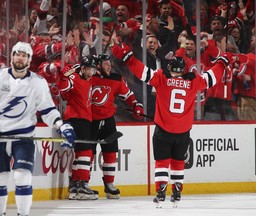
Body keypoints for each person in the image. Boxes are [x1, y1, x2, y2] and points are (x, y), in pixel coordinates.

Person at [111, 42, 233, 207]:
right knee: (178, 163)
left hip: (163, 130)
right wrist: (222, 62)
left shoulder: (162, 78)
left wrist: (128, 58)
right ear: (183, 70)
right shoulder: (193, 81)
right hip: (183, 132)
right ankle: (177, 192)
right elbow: (211, 78)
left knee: (162, 162)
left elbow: (143, 72)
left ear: (170, 67)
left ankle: (161, 192)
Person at [0, 42, 76, 216]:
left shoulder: (38, 82)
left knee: (22, 177)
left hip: (24, 137)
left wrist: (61, 125)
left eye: (24, 55)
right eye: (17, 54)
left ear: (29, 59)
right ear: (12, 56)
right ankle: (0, 214)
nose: (20, 58)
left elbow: (48, 110)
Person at [91, 53, 144, 199]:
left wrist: (136, 105)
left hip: (108, 121)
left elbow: (128, 95)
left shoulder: (116, 79)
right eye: (106, 63)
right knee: (88, 153)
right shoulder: (89, 77)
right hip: (90, 121)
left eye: (110, 63)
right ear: (98, 65)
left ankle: (109, 184)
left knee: (111, 152)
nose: (110, 66)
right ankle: (83, 183)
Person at [57, 56, 98, 200]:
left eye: (92, 69)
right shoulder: (74, 77)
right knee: (85, 152)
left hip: (84, 118)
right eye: (88, 69)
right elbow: (63, 90)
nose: (91, 72)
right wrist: (63, 77)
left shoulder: (89, 79)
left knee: (80, 153)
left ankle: (74, 185)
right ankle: (82, 185)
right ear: (82, 68)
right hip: (77, 118)